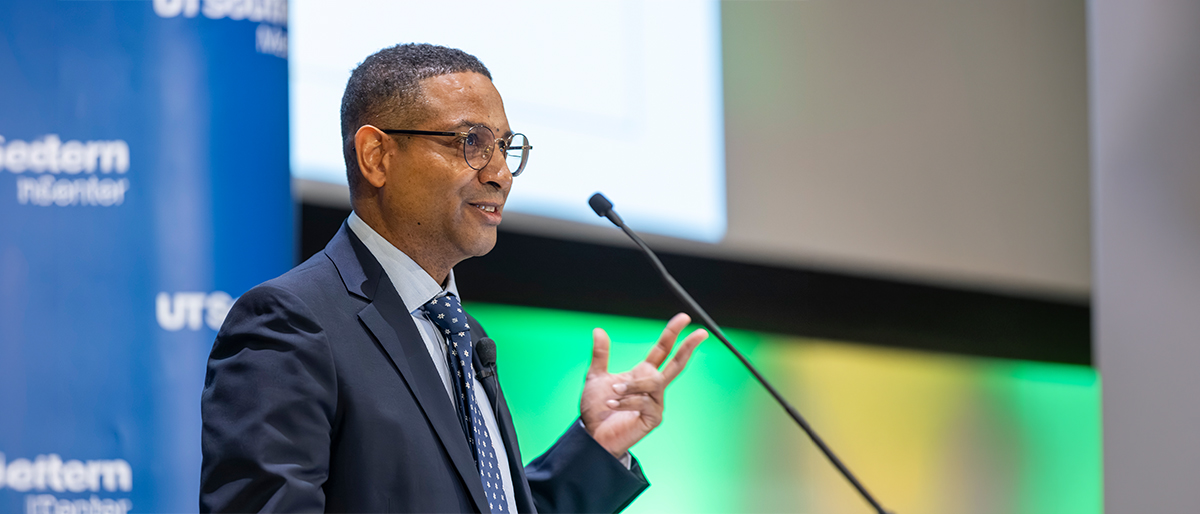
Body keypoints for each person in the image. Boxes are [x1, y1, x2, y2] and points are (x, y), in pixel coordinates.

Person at [199, 43, 708, 513]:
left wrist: (594, 447)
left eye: (506, 147)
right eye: (471, 141)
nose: (500, 173)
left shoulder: (463, 332)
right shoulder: (292, 323)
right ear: (377, 157)